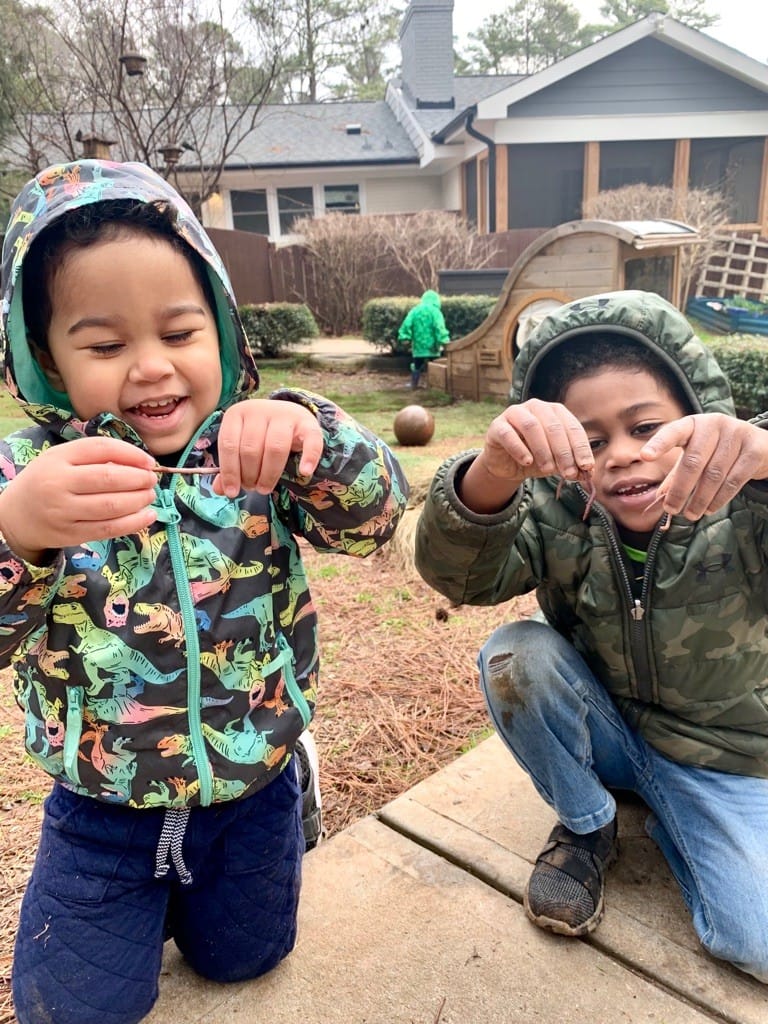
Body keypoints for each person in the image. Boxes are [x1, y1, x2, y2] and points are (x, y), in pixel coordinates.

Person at [0, 159, 409, 1024]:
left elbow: (375, 522)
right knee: (69, 1009)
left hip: (249, 787)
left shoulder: (259, 446)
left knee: (247, 963)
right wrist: (19, 532)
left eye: (180, 333)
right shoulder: (25, 477)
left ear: (221, 331)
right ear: (46, 356)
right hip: (101, 810)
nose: (151, 369)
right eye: (106, 346)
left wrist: (317, 435)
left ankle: (295, 786)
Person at [415, 289, 768, 983]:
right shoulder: (554, 509)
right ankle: (588, 824)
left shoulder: (750, 503)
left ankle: (679, 820)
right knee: (517, 652)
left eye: (646, 429)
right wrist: (492, 474)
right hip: (609, 732)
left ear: (700, 418)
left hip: (726, 760)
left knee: (755, 943)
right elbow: (462, 579)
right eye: (593, 440)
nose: (623, 457)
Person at [397, 289, 450, 389]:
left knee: (417, 365)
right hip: (433, 347)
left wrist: (405, 336)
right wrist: (444, 340)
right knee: (435, 365)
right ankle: (434, 385)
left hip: (418, 346)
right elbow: (439, 327)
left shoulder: (415, 310)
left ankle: (414, 384)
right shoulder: (436, 312)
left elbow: (407, 324)